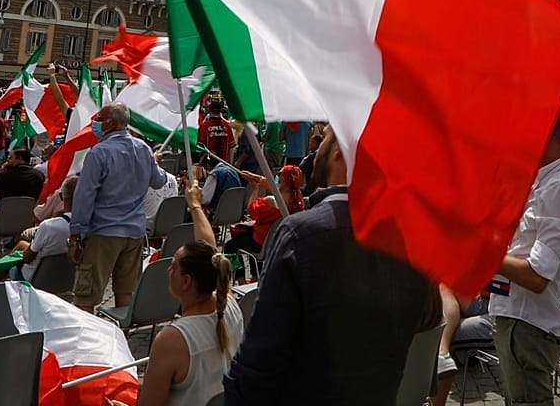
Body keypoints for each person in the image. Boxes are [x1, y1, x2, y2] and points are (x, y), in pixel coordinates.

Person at [224, 128, 434, 404]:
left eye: (324, 136)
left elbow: (258, 360)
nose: (318, 145)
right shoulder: (412, 241)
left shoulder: (299, 234)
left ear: (339, 153)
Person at [485, 108, 560, 406]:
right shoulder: (549, 181)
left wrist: (484, 253)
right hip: (521, 317)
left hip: (528, 323)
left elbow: (536, 276)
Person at [138, 181, 244, 406]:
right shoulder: (231, 305)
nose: (168, 269)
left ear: (186, 281)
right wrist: (194, 205)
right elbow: (209, 252)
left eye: (173, 265)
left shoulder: (172, 340)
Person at [67, 103, 169, 314]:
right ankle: (123, 338)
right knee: (126, 293)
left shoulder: (99, 153)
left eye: (100, 118)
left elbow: (84, 196)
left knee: (87, 296)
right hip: (134, 233)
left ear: (111, 123)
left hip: (103, 232)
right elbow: (159, 181)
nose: (95, 122)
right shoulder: (143, 149)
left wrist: (75, 235)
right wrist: (154, 163)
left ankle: (86, 344)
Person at [224, 164, 305, 255]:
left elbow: (251, 209)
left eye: (279, 174)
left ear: (283, 179)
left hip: (261, 241)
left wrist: (255, 190)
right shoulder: (296, 199)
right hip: (279, 240)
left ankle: (237, 270)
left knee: (230, 246)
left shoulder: (272, 201)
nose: (276, 177)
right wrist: (255, 177)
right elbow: (273, 186)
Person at [198, 99, 235, 165]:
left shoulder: (204, 126)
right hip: (224, 165)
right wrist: (230, 164)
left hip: (209, 165)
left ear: (209, 110)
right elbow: (231, 147)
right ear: (221, 110)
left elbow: (200, 147)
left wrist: (199, 163)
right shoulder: (227, 126)